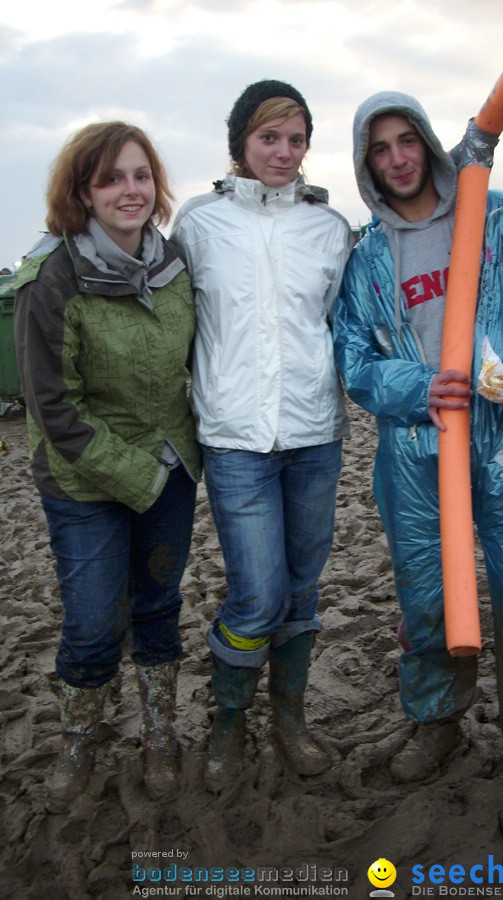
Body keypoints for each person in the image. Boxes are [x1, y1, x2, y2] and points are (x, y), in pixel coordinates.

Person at [332, 91, 503, 825]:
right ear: (367, 166)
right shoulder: (368, 259)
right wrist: (418, 384)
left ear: (427, 141)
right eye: (379, 150)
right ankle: (437, 723)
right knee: (425, 594)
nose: (397, 159)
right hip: (417, 447)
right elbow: (353, 360)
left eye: (405, 141)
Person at [171, 80, 352, 792]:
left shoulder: (330, 229)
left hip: (315, 435)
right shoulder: (198, 224)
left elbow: (339, 325)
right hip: (236, 441)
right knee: (257, 596)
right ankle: (226, 724)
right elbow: (176, 328)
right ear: (240, 143)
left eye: (296, 138)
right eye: (269, 137)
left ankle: (290, 719)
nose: (284, 151)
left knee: (302, 594)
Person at [14, 122, 201, 809]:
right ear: (82, 194)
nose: (131, 190)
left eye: (141, 175)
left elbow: (200, 362)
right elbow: (54, 410)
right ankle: (79, 735)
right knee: (93, 621)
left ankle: (158, 729)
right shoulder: (52, 279)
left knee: (157, 604)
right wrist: (139, 476)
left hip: (172, 467)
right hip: (81, 479)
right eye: (111, 178)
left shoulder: (175, 264)